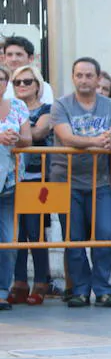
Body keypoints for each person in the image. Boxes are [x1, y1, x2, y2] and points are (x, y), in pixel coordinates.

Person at [50, 57, 111, 308]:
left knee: (105, 235)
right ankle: (80, 289)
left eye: (88, 75)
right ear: (73, 77)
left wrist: (109, 140)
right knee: (74, 237)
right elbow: (66, 136)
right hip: (66, 180)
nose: (83, 80)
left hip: (100, 180)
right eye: (78, 75)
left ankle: (102, 289)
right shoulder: (61, 104)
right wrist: (98, 142)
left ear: (98, 78)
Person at [9, 65, 53, 306]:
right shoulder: (9, 108)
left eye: (27, 81)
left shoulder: (47, 109)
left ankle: (40, 282)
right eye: (17, 82)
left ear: (38, 85)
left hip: (38, 178)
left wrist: (13, 133)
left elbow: (37, 133)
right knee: (17, 233)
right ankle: (19, 282)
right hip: (14, 178)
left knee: (35, 232)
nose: (22, 86)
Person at [0, 65, 32, 311]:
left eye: (1, 78)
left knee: (9, 240)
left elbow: (28, 139)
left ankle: (2, 290)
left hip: (11, 182)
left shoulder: (19, 106)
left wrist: (16, 139)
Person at [2, 36, 55, 105]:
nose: (13, 59)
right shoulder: (2, 86)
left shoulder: (44, 87)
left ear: (31, 58)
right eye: (9, 55)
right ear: (4, 58)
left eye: (19, 54)